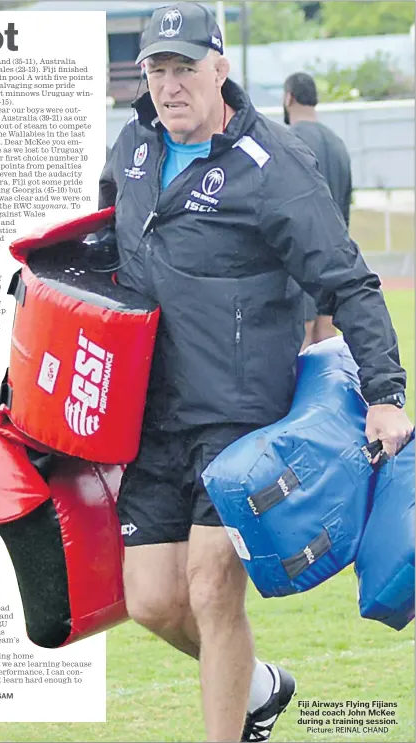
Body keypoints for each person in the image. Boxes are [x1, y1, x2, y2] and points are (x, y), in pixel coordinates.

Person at [98, 4, 412, 741]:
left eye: (184, 69)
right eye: (157, 70)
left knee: (210, 589)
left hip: (240, 416)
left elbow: (348, 281)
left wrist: (386, 395)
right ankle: (260, 685)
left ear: (220, 68)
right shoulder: (132, 148)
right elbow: (98, 256)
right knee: (149, 600)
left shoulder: (269, 166)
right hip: (152, 413)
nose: (170, 86)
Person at [283, 71, 353, 349]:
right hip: (335, 259)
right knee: (327, 341)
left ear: (289, 98)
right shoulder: (339, 145)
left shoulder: (287, 142)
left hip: (300, 260)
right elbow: (346, 204)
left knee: (300, 344)